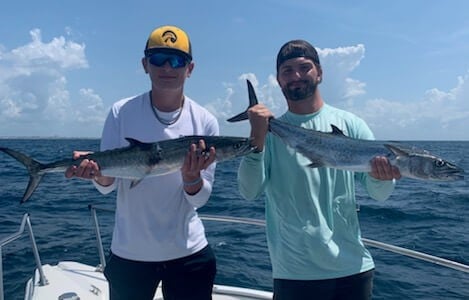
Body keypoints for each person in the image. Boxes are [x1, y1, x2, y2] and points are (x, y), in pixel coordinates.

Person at [237, 39, 402, 300]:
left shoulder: (351, 124)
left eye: (304, 67)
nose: (296, 76)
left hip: (353, 268)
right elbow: (248, 191)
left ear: (320, 73)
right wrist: (256, 140)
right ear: (279, 80)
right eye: (287, 71)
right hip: (294, 272)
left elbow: (379, 194)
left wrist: (381, 178)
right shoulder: (268, 132)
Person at [65, 25, 218, 300]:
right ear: (145, 64)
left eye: (177, 60)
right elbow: (107, 186)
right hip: (129, 253)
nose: (168, 67)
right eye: (159, 58)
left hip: (188, 251)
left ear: (190, 68)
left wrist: (192, 178)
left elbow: (200, 199)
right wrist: (97, 175)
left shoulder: (205, 121)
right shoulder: (121, 112)